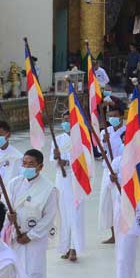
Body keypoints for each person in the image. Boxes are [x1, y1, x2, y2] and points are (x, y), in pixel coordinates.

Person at [6, 149, 58, 278]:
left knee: (35, 276)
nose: (26, 167)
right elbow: (8, 208)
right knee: (19, 276)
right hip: (16, 237)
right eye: (24, 163)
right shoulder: (14, 184)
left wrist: (31, 235)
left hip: (35, 240)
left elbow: (49, 217)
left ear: (40, 166)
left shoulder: (48, 189)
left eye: (30, 164)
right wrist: (9, 220)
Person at [51, 110, 85, 262]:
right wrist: (57, 159)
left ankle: (74, 248)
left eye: (69, 120)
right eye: (64, 119)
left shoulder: (82, 139)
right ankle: (65, 246)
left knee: (75, 213)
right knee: (63, 214)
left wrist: (68, 163)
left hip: (76, 180)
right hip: (61, 181)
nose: (66, 123)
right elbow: (52, 160)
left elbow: (86, 161)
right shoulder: (57, 139)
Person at [97, 101, 126, 245]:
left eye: (115, 116)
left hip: (121, 171)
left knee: (119, 201)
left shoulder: (127, 131)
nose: (112, 118)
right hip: (107, 170)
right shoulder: (105, 131)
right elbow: (102, 152)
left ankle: (124, 232)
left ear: (121, 117)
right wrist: (104, 142)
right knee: (107, 202)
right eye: (110, 116)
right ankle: (113, 233)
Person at [0, 120, 24, 189]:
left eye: (0, 135)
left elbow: (20, 178)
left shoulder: (17, 156)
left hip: (9, 192)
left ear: (8, 135)